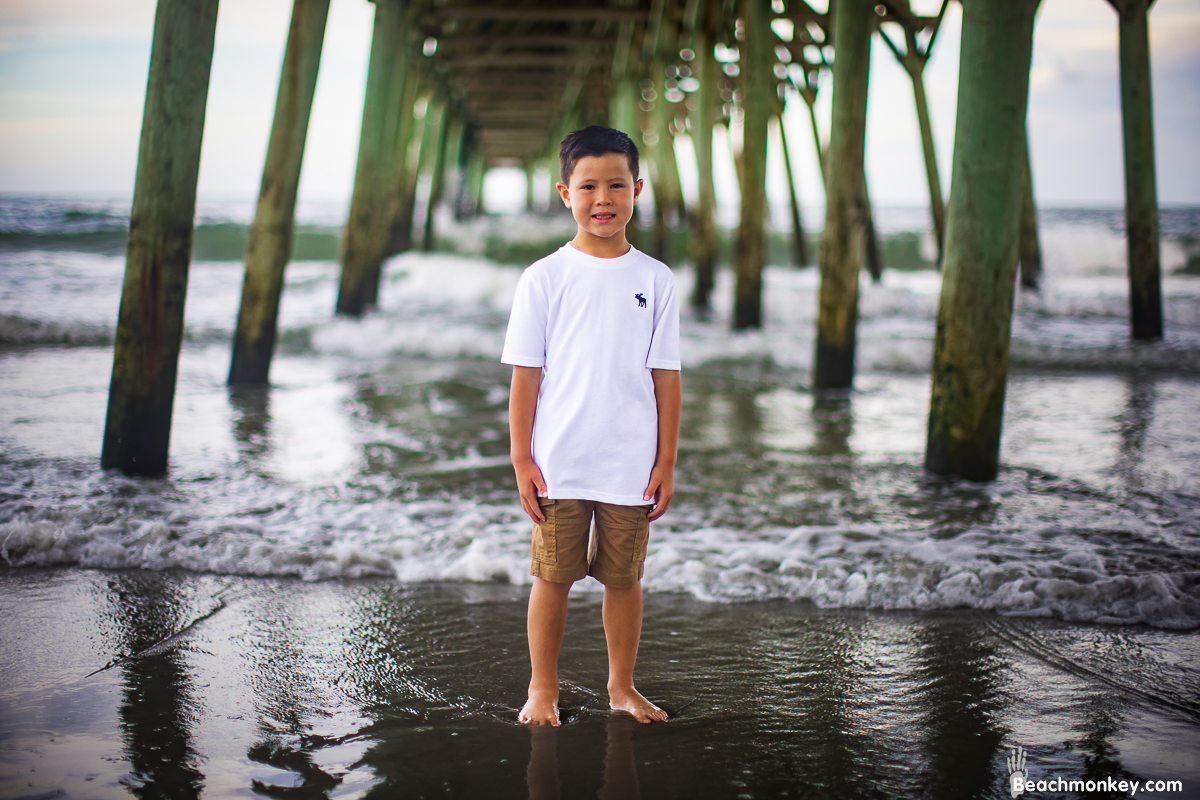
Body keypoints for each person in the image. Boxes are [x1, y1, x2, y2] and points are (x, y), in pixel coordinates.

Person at [501, 126, 681, 727]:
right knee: (552, 577)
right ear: (564, 192)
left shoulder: (656, 279)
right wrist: (523, 460)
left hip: (630, 461)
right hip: (561, 460)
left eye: (615, 185)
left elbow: (666, 378)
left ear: (637, 189)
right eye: (588, 186)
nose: (602, 198)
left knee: (623, 580)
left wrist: (665, 461)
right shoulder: (544, 277)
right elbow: (526, 377)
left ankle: (622, 687)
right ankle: (542, 689)